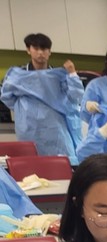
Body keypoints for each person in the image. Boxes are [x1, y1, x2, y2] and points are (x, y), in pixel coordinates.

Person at [0, 33, 83, 163]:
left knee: (61, 163)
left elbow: (76, 96)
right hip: (28, 126)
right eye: (36, 48)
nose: (40, 53)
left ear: (50, 51)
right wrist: (24, 109)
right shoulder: (18, 76)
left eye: (44, 49)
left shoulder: (58, 76)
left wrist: (72, 73)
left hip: (54, 126)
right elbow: (6, 97)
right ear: (28, 50)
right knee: (32, 164)